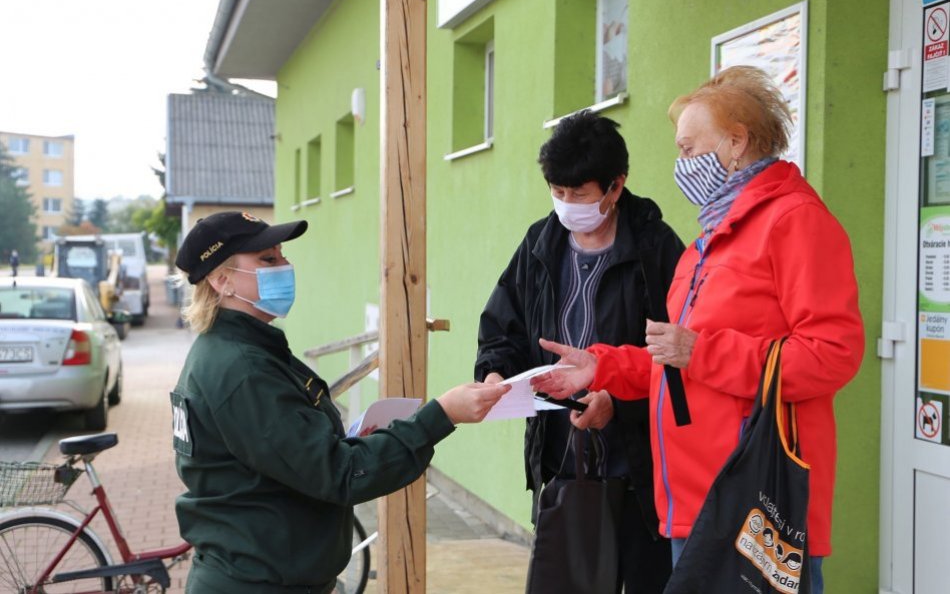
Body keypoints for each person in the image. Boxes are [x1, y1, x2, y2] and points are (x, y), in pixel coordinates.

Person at [532, 66, 864, 594]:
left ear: (736, 142)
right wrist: (603, 366)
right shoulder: (712, 235)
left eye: (689, 149)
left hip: (753, 505)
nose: (680, 164)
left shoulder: (795, 221)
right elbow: (676, 362)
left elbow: (832, 354)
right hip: (696, 503)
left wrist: (701, 351)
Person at [170, 211, 509, 594]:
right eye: (268, 259)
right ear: (222, 280)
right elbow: (339, 473)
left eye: (282, 255)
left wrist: (350, 439)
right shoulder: (242, 368)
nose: (285, 266)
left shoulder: (237, 350)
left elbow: (290, 456)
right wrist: (442, 415)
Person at [476, 110, 683, 592]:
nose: (566, 205)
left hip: (643, 473)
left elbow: (681, 354)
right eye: (558, 192)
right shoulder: (540, 243)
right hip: (564, 460)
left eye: (579, 194)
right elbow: (502, 325)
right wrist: (493, 374)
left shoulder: (656, 248)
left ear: (615, 187)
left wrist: (620, 400)